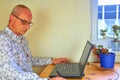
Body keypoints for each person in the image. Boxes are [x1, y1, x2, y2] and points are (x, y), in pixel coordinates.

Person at [0, 5, 69, 80]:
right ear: (12, 18)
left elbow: (29, 60)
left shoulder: (23, 40)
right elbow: (12, 74)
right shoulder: (2, 40)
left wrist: (51, 60)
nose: (28, 27)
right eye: (24, 22)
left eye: (29, 23)